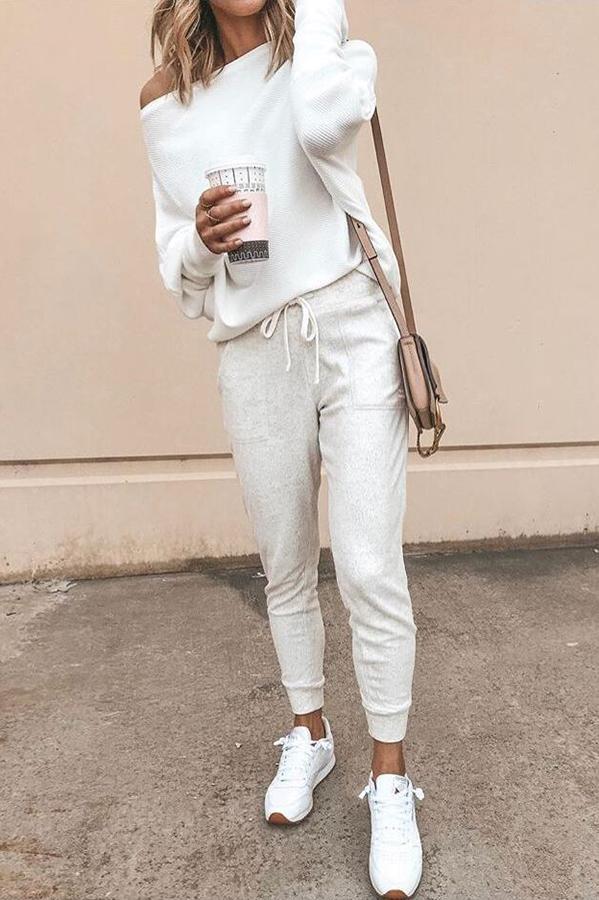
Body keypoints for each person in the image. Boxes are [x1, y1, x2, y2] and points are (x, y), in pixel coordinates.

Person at [140, 1, 423, 895]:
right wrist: (200, 241)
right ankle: (310, 733)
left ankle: (389, 778)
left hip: (352, 324)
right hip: (255, 344)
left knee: (369, 564)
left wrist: (319, 13)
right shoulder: (163, 101)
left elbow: (322, 124)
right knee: (286, 561)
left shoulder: (323, 56)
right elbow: (180, 273)